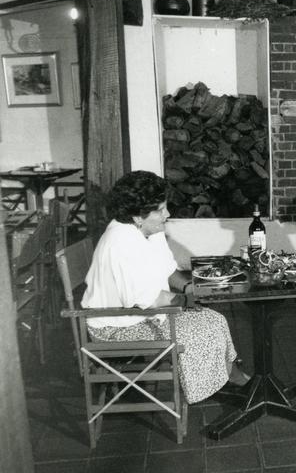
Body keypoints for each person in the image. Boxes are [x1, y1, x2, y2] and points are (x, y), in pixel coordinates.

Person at [81, 170, 249, 404]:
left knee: (214, 319)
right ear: (137, 216)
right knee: (200, 331)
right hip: (114, 326)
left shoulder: (149, 230)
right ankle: (218, 387)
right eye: (159, 209)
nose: (167, 214)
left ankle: (228, 378)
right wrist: (189, 302)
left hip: (141, 315)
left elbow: (168, 269)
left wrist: (190, 288)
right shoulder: (120, 242)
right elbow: (149, 299)